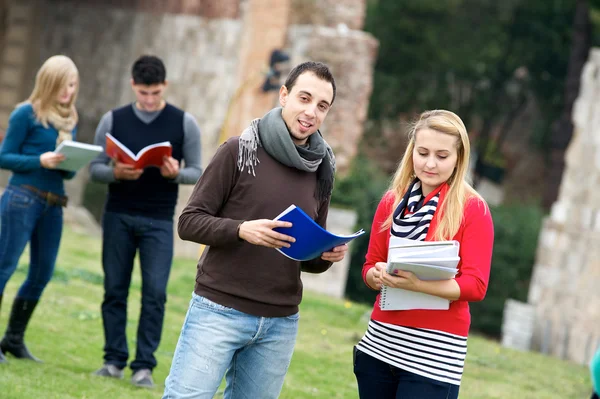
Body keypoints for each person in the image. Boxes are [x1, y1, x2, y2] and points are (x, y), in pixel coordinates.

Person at [162, 61, 348, 399]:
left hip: (280, 322)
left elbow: (304, 256)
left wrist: (325, 255)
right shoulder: (238, 150)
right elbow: (188, 222)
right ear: (283, 95)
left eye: (322, 106)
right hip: (218, 310)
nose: (311, 112)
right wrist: (241, 229)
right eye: (304, 99)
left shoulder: (321, 169)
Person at [353, 110, 494, 399]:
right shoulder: (392, 201)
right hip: (380, 345)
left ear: (458, 159)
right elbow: (368, 267)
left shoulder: (473, 209)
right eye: (423, 152)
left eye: (442, 156)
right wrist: (376, 275)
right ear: (411, 152)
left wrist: (418, 286)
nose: (430, 163)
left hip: (434, 358)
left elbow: (475, 286)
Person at [89, 55, 202, 388]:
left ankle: (143, 367)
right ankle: (113, 360)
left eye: (154, 93)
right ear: (132, 86)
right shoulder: (113, 120)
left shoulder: (185, 123)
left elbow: (196, 172)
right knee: (114, 289)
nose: (149, 100)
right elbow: (95, 168)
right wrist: (115, 172)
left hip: (158, 221)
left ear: (164, 86)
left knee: (154, 293)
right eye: (143, 93)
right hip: (117, 216)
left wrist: (175, 173)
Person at [0, 55, 79, 364]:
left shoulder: (70, 120)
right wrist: (39, 161)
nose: (68, 92)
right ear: (48, 84)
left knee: (42, 272)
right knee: (4, 268)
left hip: (54, 204)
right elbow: (4, 157)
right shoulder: (26, 114)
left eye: (72, 85)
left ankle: (13, 339)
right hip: (22, 198)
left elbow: (67, 172)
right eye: (62, 85)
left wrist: (70, 163)